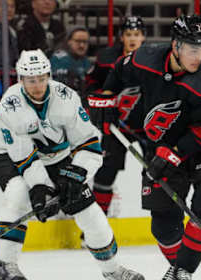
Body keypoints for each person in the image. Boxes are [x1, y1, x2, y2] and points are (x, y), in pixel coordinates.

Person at [88, 15, 201, 280]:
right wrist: (106, 95)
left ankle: (183, 272)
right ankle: (179, 266)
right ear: (175, 45)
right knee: (163, 225)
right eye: (193, 49)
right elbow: (119, 70)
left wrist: (174, 154)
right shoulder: (147, 57)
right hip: (165, 143)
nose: (199, 56)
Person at [0, 49, 148, 280]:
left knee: (91, 214)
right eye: (31, 80)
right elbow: (24, 158)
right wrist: (41, 188)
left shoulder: (66, 97)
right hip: (8, 157)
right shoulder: (10, 105)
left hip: (57, 158)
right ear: (20, 79)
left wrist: (75, 175)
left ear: (49, 75)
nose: (37, 85)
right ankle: (6, 267)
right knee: (18, 191)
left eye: (41, 78)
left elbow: (90, 145)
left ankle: (113, 271)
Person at [87, 16, 147, 217]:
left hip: (149, 128)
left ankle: (165, 219)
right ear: (122, 37)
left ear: (143, 37)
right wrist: (99, 104)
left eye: (137, 34)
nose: (132, 39)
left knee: (157, 173)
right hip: (116, 127)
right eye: (128, 34)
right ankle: (97, 226)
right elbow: (91, 85)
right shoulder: (106, 59)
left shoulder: (154, 60)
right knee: (105, 174)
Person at [50, 26, 91, 94]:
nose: (82, 45)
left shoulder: (85, 60)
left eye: (85, 42)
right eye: (78, 41)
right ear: (69, 41)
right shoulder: (59, 59)